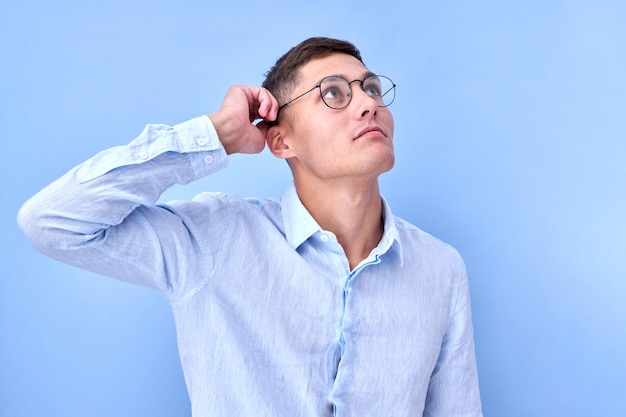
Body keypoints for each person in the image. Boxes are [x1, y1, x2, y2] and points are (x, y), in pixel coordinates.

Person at [18, 37, 482, 416]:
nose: (367, 104)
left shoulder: (440, 268)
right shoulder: (217, 238)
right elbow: (52, 221)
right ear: (280, 140)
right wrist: (216, 134)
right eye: (335, 93)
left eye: (372, 88)